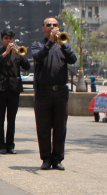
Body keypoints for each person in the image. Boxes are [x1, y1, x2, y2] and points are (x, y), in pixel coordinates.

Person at [31, 16, 77, 171]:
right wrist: (50, 42)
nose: (52, 27)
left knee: (60, 127)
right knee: (43, 127)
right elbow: (37, 58)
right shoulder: (38, 45)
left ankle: (57, 159)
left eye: (55, 25)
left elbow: (72, 59)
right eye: (48, 25)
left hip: (60, 93)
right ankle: (46, 158)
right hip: (43, 92)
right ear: (43, 28)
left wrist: (63, 44)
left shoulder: (63, 45)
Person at [0, 29, 30, 154]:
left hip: (13, 89)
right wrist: (5, 54)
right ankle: (1, 145)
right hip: (0, 89)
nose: (8, 41)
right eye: (6, 38)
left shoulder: (18, 53)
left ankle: (10, 145)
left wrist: (22, 56)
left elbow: (28, 67)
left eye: (10, 38)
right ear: (1, 39)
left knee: (11, 119)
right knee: (0, 119)